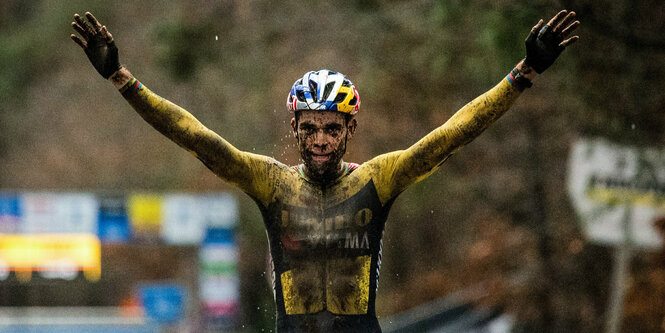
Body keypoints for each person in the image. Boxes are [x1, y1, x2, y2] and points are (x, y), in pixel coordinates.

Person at [71, 9, 579, 333]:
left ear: (349, 130)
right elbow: (192, 134)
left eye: (331, 129)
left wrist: (523, 73)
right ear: (294, 126)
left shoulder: (378, 178)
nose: (319, 140)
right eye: (310, 127)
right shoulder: (268, 180)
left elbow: (452, 134)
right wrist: (120, 77)